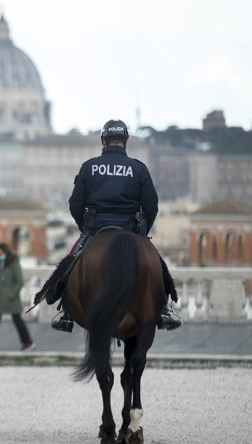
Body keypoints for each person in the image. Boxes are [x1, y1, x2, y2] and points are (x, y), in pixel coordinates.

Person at [65, 118, 181, 331]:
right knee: (158, 266)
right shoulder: (139, 169)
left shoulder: (89, 167)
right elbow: (151, 206)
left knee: (70, 262)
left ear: (103, 140)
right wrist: (142, 234)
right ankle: (164, 309)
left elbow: (75, 204)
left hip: (95, 229)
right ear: (125, 141)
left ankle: (64, 312)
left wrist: (85, 228)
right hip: (130, 229)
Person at [0, 244, 35, 352]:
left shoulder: (14, 264)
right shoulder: (0, 264)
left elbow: (19, 282)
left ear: (6, 253)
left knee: (18, 321)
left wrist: (11, 295)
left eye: (0, 254)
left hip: (11, 300)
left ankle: (28, 342)